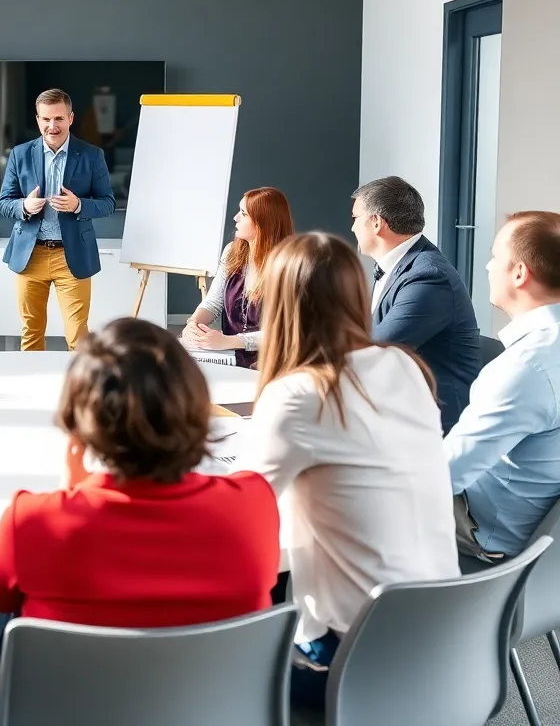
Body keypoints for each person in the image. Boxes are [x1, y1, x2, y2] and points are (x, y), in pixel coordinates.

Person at [239, 232, 458, 710]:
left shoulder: (300, 394)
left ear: (279, 305)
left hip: (351, 660)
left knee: (205, 667)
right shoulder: (405, 367)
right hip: (446, 642)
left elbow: (237, 514)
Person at [0, 316, 280, 626]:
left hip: (74, 675)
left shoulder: (33, 521)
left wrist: (69, 495)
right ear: (196, 407)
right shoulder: (253, 505)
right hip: (217, 675)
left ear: (80, 424)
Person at [446, 211, 560, 559]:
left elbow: (442, 477)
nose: (488, 267)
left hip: (485, 539)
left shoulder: (525, 367)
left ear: (520, 273)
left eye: (496, 257)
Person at [351, 176, 480, 432]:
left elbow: (376, 348)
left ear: (376, 222)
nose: (352, 227)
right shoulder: (397, 265)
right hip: (400, 406)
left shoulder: (428, 276)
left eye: (355, 218)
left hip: (434, 423)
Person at [0, 89, 116, 351]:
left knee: (78, 336)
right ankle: (31, 388)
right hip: (30, 254)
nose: (53, 126)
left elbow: (108, 203)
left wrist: (79, 205)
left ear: (71, 118)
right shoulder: (20, 154)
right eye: (46, 119)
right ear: (38, 119)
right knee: (31, 331)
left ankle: (80, 390)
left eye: (59, 119)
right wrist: (24, 206)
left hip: (71, 256)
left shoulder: (91, 155)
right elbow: (4, 202)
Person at [182, 187, 293, 368]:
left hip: (271, 361)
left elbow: (284, 332)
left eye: (243, 213)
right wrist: (193, 324)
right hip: (229, 354)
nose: (236, 218)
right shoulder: (232, 252)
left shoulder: (288, 263)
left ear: (263, 221)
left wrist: (229, 341)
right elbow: (213, 303)